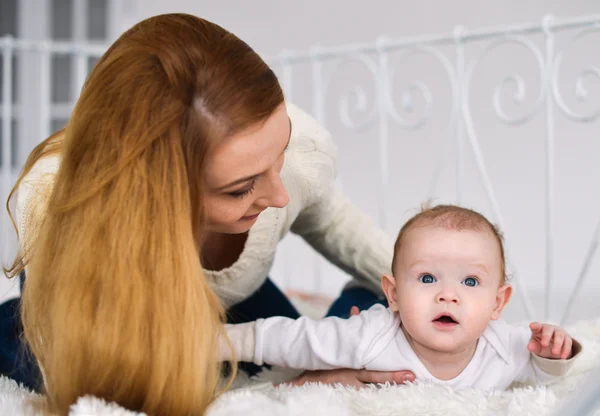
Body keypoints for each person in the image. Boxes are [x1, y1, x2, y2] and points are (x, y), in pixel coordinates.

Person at [0, 12, 412, 416]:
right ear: (158, 191)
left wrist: (429, 285)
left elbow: (335, 223)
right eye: (240, 188)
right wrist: (286, 391)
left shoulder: (298, 149)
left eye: (280, 152)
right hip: (116, 310)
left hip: (230, 299)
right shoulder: (55, 200)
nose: (280, 195)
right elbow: (135, 394)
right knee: (57, 365)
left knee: (324, 344)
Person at [224, 204, 582, 389]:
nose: (448, 296)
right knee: (332, 333)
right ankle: (362, 290)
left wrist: (555, 352)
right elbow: (295, 339)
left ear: (498, 304)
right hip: (368, 313)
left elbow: (543, 376)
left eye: (471, 282)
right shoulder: (371, 335)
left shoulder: (504, 346)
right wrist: (225, 342)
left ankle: (364, 289)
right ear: (393, 293)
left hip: (386, 306)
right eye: (428, 277)